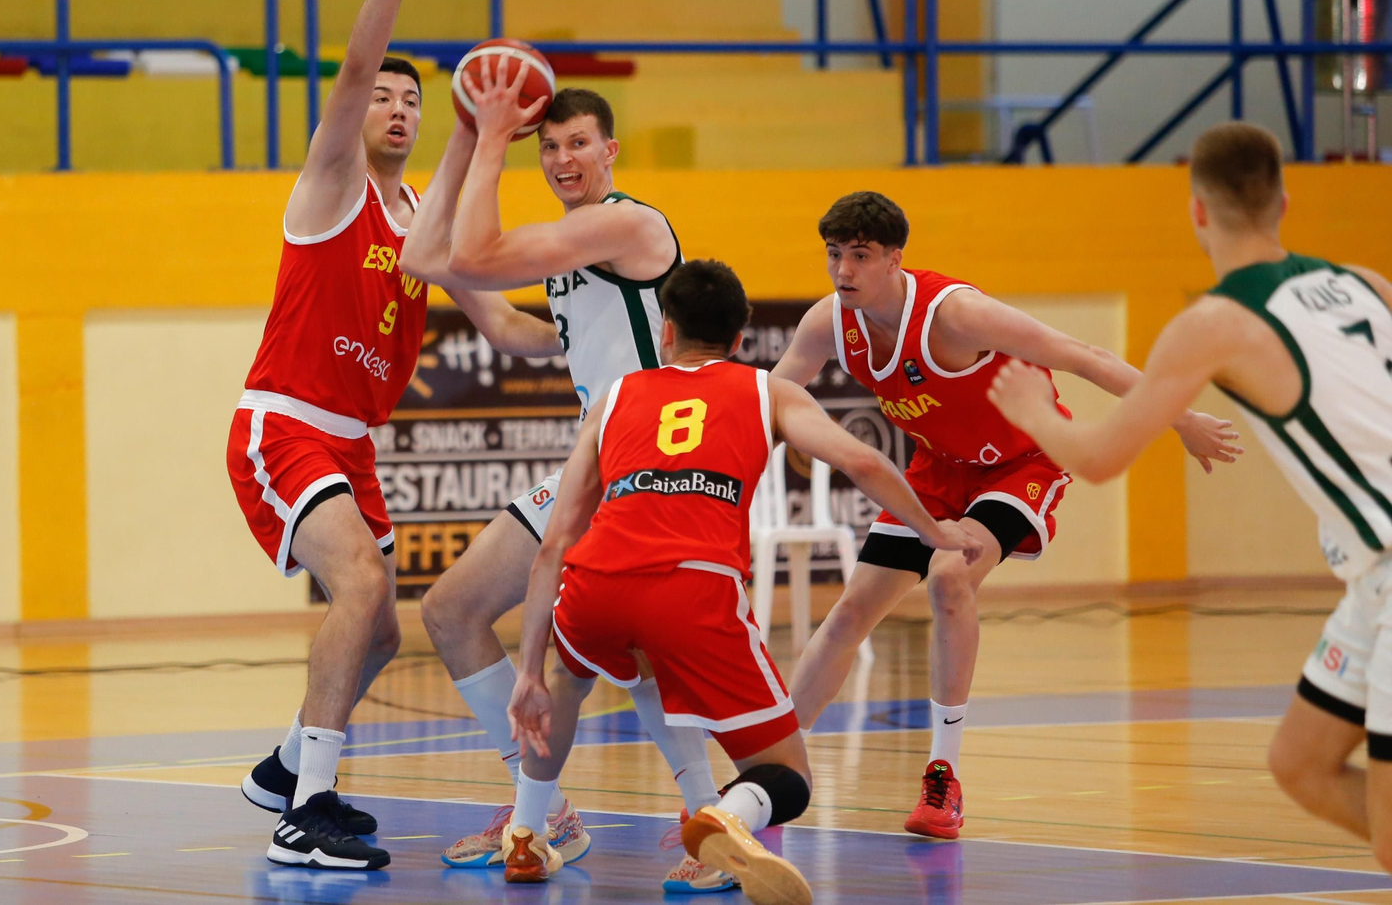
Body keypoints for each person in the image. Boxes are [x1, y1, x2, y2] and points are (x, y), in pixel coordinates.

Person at [224, 0, 562, 870]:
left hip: (353, 442)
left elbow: (500, 327)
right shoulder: (329, 183)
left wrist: (605, 333)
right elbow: (352, 67)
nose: (398, 109)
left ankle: (286, 765)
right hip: (285, 420)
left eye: (416, 102)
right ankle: (309, 812)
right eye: (387, 98)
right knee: (365, 581)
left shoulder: (419, 221)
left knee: (374, 632)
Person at [500, 260, 981, 904]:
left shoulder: (615, 397)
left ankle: (527, 834)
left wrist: (528, 667)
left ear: (665, 331)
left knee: (566, 682)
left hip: (594, 584)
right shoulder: (767, 391)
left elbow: (553, 545)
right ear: (739, 340)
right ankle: (728, 816)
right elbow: (864, 459)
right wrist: (937, 532)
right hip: (693, 589)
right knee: (787, 777)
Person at [988, 121, 1392, 873]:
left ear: (1197, 212)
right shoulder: (1366, 285)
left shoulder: (1214, 323)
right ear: (1285, 201)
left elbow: (1101, 459)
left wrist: (1033, 412)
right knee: (1300, 762)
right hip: (1372, 579)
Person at [771, 190, 1239, 839]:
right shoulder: (828, 322)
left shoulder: (956, 315)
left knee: (949, 579)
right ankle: (775, 768)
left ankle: (943, 775)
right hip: (938, 471)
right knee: (852, 610)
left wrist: (1182, 419)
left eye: (859, 256)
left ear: (895, 259)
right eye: (833, 255)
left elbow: (1086, 357)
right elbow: (774, 396)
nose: (843, 271)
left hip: (1023, 462)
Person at [402, 61, 728, 890]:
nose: (560, 159)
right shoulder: (569, 255)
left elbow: (473, 250)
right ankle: (552, 813)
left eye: (576, 143)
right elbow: (506, 321)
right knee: (452, 609)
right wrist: (455, 248)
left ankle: (699, 821)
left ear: (609, 150)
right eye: (545, 146)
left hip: (651, 467)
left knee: (641, 652)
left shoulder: (627, 225)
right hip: (595, 468)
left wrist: (484, 142)